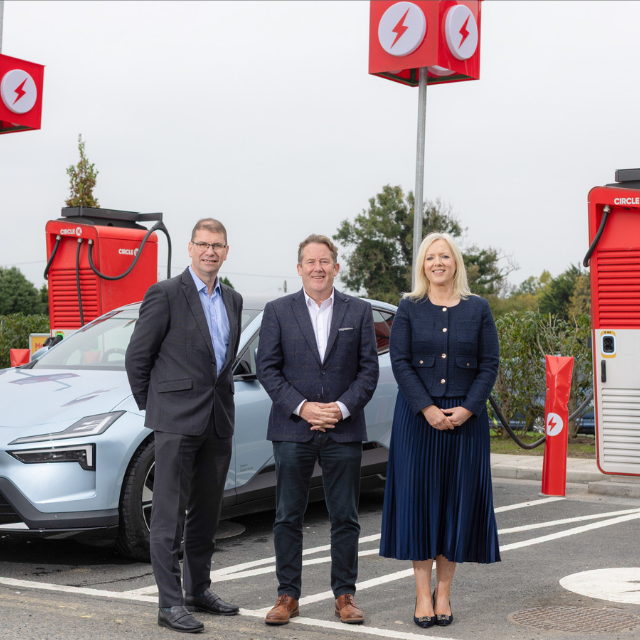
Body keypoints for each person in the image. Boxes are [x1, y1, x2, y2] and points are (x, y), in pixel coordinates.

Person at [125, 218, 243, 633]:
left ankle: (198, 589)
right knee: (168, 517)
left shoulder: (233, 299)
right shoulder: (165, 294)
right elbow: (137, 359)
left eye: (218, 245)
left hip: (217, 420)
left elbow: (222, 363)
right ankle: (169, 604)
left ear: (226, 252)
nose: (211, 251)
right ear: (191, 249)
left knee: (207, 514)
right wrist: (158, 409)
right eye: (204, 244)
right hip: (175, 422)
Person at [256, 234, 379, 626]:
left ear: (336, 267)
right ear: (299, 268)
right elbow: (267, 369)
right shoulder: (278, 311)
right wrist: (304, 406)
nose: (318, 268)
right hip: (293, 429)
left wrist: (340, 409)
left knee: (345, 517)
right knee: (287, 517)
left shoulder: (358, 312)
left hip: (343, 430)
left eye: (325, 261)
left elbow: (368, 371)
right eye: (310, 262)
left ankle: (345, 595)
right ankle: (287, 596)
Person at [379, 232, 500, 628]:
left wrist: (467, 409)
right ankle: (421, 596)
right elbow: (400, 362)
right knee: (421, 507)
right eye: (431, 257)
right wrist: (427, 408)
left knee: (453, 506)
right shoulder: (409, 307)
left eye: (444, 256)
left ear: (456, 263)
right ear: (422, 265)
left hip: (466, 423)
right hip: (418, 421)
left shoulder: (478, 308)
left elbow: (489, 365)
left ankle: (444, 593)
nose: (437, 263)